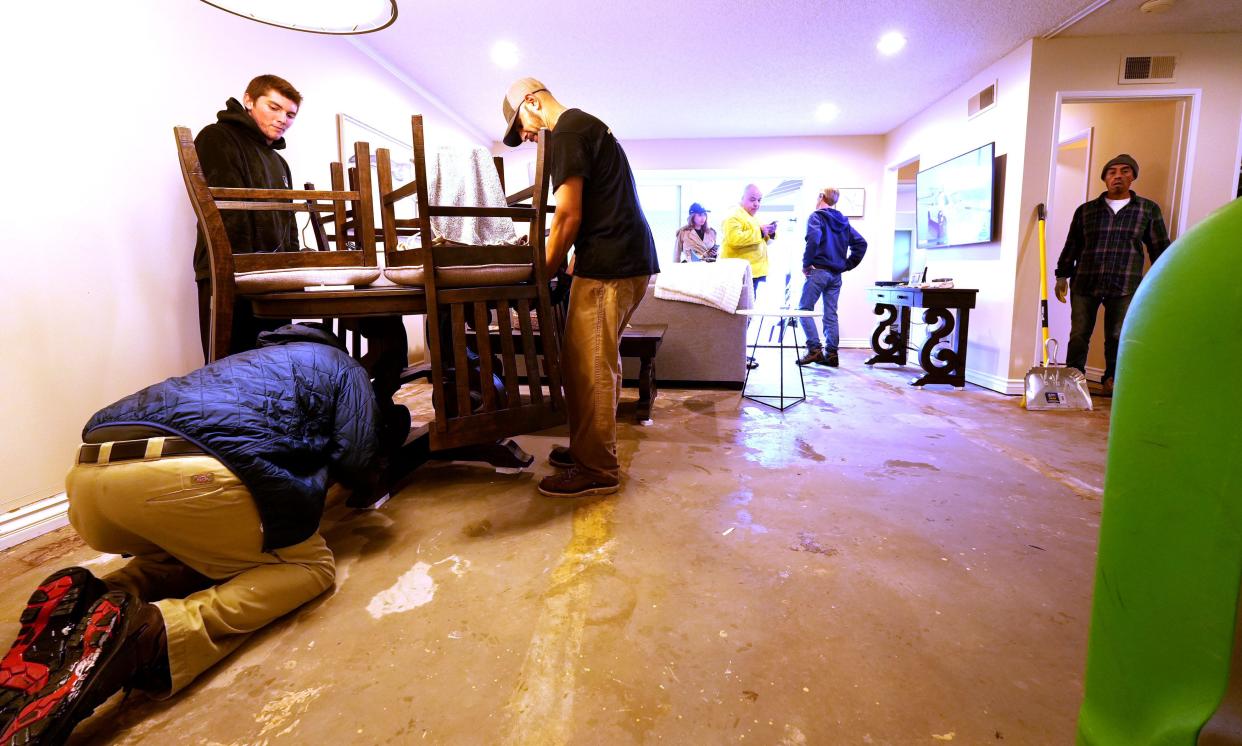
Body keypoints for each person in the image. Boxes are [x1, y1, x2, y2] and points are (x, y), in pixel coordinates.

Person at [0, 324, 388, 743]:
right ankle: (150, 636)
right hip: (188, 479)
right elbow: (356, 456)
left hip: (89, 485)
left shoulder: (236, 362)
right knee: (310, 566)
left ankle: (102, 596)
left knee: (201, 546)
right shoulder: (340, 366)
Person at [500, 77, 659, 498]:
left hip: (611, 265)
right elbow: (598, 205)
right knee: (592, 362)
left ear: (531, 102)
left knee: (589, 366)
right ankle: (590, 448)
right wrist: (570, 261)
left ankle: (598, 470)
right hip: (625, 259)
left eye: (521, 127)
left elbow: (567, 216)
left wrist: (539, 271)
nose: (527, 136)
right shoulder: (588, 126)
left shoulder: (567, 130)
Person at [193, 74, 303, 362]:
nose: (283, 119)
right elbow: (225, 215)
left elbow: (289, 225)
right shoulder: (216, 136)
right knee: (231, 372)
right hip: (228, 275)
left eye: (290, 114)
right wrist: (245, 273)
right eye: (274, 107)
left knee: (277, 371)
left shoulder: (279, 162)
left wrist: (291, 273)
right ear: (249, 101)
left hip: (274, 281)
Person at [1055, 153, 1170, 395]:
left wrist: (1164, 281)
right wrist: (1061, 276)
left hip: (1125, 283)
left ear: (1133, 177)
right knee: (1078, 334)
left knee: (1118, 336)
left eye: (1125, 171)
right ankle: (1073, 380)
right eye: (1112, 172)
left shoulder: (1147, 210)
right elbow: (1072, 244)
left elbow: (1160, 248)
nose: (1118, 176)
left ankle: (1112, 380)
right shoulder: (1086, 211)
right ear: (1105, 178)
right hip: (1085, 281)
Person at [796, 188, 868, 367]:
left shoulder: (816, 216)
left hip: (818, 271)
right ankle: (831, 354)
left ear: (821, 197)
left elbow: (813, 240)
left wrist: (806, 264)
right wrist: (846, 265)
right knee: (830, 314)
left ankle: (814, 350)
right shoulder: (843, 222)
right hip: (836, 275)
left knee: (803, 310)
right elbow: (861, 243)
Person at [720, 184, 777, 297]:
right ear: (742, 198)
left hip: (752, 272)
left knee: (748, 308)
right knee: (743, 309)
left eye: (759, 200)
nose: (757, 204)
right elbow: (734, 239)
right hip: (739, 273)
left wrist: (769, 233)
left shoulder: (751, 217)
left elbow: (758, 240)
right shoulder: (733, 216)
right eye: (752, 199)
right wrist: (760, 232)